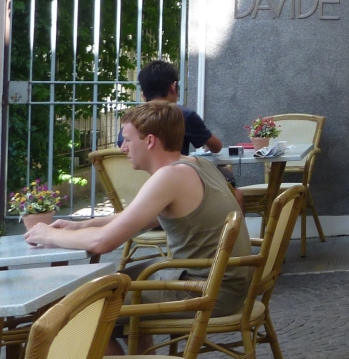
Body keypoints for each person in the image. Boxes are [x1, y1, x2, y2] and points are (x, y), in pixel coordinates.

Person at [29, 101, 253, 322]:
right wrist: (80, 225)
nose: (122, 148)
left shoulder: (169, 177)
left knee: (81, 306)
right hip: (221, 282)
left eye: (127, 140)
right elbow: (143, 217)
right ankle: (133, 342)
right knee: (107, 283)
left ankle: (114, 344)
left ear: (150, 141)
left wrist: (49, 235)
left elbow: (102, 242)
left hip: (206, 292)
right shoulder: (198, 164)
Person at [124, 60, 242, 210]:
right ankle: (231, 226)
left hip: (132, 199)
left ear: (143, 93)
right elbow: (216, 146)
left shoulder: (130, 121)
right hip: (176, 197)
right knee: (235, 191)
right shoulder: (181, 115)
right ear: (173, 87)